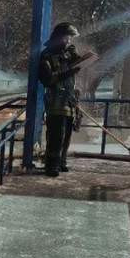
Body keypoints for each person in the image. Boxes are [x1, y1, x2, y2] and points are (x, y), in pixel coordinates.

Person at [39, 22, 88, 177]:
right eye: (67, 37)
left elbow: (75, 67)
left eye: (70, 38)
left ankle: (61, 162)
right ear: (59, 37)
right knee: (56, 134)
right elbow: (47, 80)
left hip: (69, 100)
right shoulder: (47, 55)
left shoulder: (68, 52)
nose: (69, 41)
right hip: (55, 101)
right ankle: (51, 165)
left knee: (66, 134)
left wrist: (78, 59)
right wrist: (69, 72)